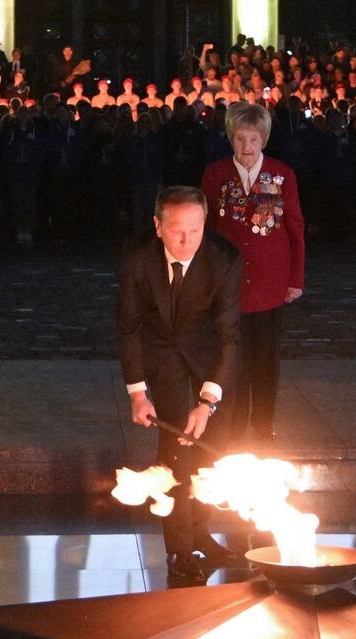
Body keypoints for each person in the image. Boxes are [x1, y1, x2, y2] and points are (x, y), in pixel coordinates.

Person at [118, 186, 242, 585]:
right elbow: (129, 328)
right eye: (176, 231)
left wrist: (207, 402)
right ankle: (179, 549)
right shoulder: (138, 260)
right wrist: (138, 394)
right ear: (158, 227)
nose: (187, 240)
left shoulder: (224, 260)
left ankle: (200, 532)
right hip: (161, 349)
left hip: (207, 350)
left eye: (195, 230)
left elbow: (228, 335)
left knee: (212, 445)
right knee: (176, 448)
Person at [200, 101, 305, 443]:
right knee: (231, 359)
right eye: (240, 139)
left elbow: (295, 229)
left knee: (265, 359)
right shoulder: (216, 174)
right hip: (228, 285)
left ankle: (262, 425)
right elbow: (206, 230)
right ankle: (231, 428)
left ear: (264, 140)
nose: (247, 147)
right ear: (231, 138)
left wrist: (295, 279)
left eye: (254, 139)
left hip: (269, 284)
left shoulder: (282, 174)